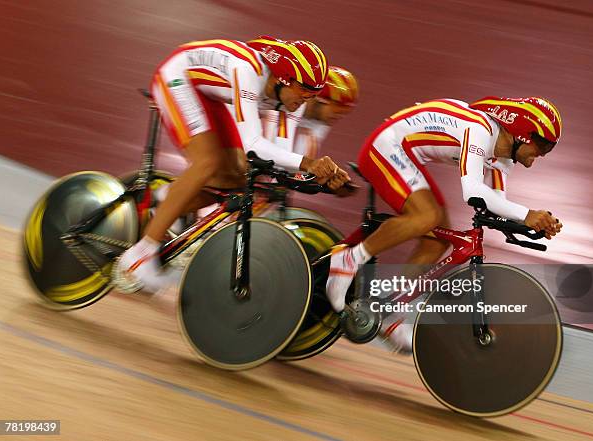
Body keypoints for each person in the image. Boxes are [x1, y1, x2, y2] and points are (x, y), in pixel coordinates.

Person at [325, 96, 564, 349]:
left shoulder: (503, 158)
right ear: (521, 135)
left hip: (408, 155)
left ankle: (390, 313)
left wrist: (532, 223)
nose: (543, 154)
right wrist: (526, 214)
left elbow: (495, 203)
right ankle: (349, 259)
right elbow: (472, 191)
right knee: (426, 217)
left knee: (437, 242)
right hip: (385, 147)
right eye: (543, 145)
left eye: (549, 148)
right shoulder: (480, 130)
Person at [116, 36, 350, 292]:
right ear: (284, 79)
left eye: (314, 94)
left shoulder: (292, 98)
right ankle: (138, 256)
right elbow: (252, 144)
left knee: (240, 178)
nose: (308, 99)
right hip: (178, 78)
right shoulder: (249, 71)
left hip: (211, 94)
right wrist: (309, 164)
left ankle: (168, 198)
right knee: (208, 163)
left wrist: (323, 178)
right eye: (305, 90)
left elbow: (279, 159)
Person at [261, 65, 359, 158]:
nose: (339, 117)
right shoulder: (292, 102)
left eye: (345, 112)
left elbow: (305, 157)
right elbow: (277, 145)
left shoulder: (323, 121)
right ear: (322, 99)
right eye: (338, 110)